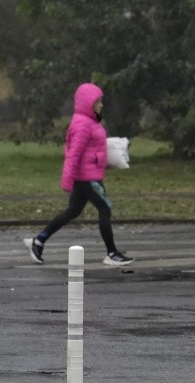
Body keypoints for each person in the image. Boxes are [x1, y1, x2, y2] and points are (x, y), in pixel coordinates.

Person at [24, 82, 134, 266]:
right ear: (88, 103)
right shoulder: (83, 124)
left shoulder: (89, 121)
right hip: (88, 178)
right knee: (105, 208)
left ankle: (38, 241)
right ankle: (112, 253)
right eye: (98, 101)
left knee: (73, 211)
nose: (102, 104)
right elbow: (73, 153)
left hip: (89, 175)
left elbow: (90, 149)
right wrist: (67, 181)